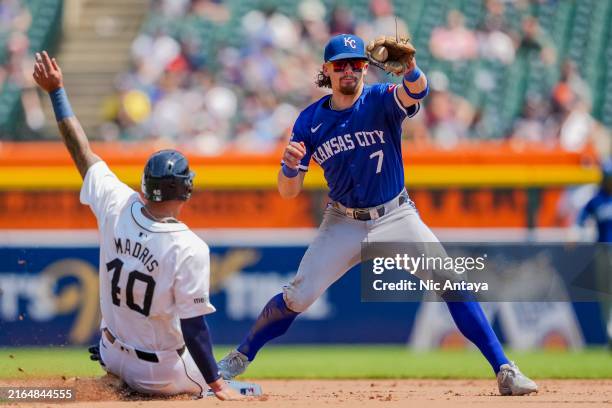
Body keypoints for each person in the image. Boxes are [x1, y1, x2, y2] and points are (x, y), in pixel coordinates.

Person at [218, 34, 538, 396]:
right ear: (326, 70)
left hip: (394, 216)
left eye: (356, 63)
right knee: (298, 296)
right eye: (340, 64)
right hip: (342, 222)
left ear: (366, 68)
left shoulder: (381, 99)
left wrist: (412, 69)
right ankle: (238, 358)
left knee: (452, 282)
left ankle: (505, 369)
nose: (349, 70)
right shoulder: (309, 120)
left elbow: (416, 92)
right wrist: (290, 169)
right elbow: (287, 190)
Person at [32, 50, 242, 400]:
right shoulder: (189, 247)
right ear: (187, 190)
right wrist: (217, 385)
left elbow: (81, 152)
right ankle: (224, 390)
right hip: (160, 374)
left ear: (145, 186)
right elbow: (194, 328)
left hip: (111, 354)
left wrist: (56, 92)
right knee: (237, 389)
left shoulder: (117, 202)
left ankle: (118, 378)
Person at [576, 160, 612, 349]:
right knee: (604, 294)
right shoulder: (596, 199)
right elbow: (580, 219)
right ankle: (609, 333)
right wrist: (576, 233)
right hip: (602, 251)